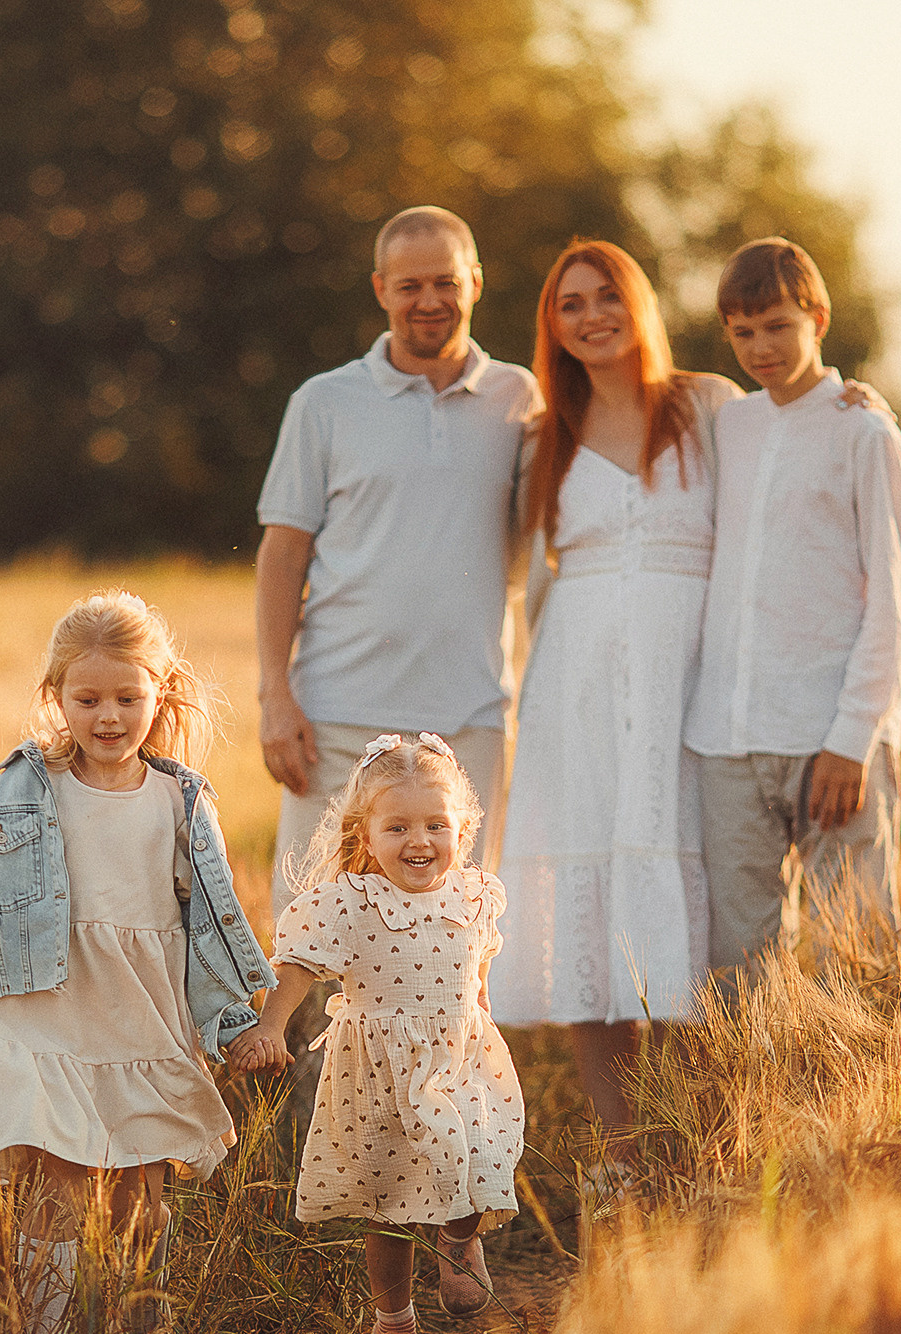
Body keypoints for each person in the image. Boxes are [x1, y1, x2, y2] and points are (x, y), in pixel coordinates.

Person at [493, 238, 884, 1202]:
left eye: (606, 298)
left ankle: (697, 1131)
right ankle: (622, 1152)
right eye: (569, 303)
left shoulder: (709, 407)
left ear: (639, 306)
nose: (590, 317)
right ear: (553, 324)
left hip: (688, 683)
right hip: (576, 687)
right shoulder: (544, 437)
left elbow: (797, 434)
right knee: (592, 909)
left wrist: (855, 400)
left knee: (688, 902)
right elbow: (501, 572)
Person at [0, 591, 275, 1334]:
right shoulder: (17, 790)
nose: (110, 716)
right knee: (57, 1189)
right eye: (88, 699)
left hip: (143, 1018)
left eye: (129, 696)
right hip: (46, 1016)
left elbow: (213, 930)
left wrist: (234, 1025)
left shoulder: (182, 801)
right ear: (56, 698)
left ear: (163, 691)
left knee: (140, 1205)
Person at [251, 206, 538, 1129]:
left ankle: (445, 1140)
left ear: (475, 282)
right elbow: (283, 553)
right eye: (408, 283)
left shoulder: (521, 401)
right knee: (311, 922)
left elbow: (627, 412)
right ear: (380, 290)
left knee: (456, 938)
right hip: (335, 711)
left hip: (466, 716)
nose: (428, 299)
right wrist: (275, 693)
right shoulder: (325, 403)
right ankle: (314, 1143)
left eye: (445, 280)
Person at [236, 735, 524, 1334]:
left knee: (471, 1154)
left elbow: (476, 971)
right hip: (376, 1074)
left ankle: (459, 1240)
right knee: (388, 1205)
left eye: (435, 825)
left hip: (457, 1058)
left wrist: (482, 1027)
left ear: (462, 830)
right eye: (398, 827)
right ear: (365, 833)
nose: (419, 841)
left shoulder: (475, 895)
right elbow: (299, 967)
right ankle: (393, 1324)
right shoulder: (349, 903)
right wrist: (271, 1025)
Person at [683, 237, 901, 995]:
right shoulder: (730, 426)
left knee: (853, 955)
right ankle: (755, 1114)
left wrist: (854, 738)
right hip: (727, 739)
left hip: (831, 739)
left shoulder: (866, 432)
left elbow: (894, 598)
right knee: (735, 968)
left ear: (817, 316)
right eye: (744, 332)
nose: (761, 347)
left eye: (779, 326)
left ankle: (856, 1113)